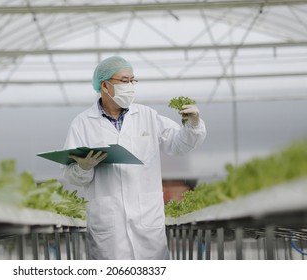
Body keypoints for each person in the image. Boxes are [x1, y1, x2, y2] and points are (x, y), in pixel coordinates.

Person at [62, 56, 206, 260]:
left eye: (132, 80)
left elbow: (179, 144)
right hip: (108, 227)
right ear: (105, 85)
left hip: (147, 221)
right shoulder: (82, 123)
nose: (130, 85)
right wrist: (83, 168)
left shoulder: (147, 116)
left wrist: (193, 124)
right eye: (124, 81)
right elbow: (71, 176)